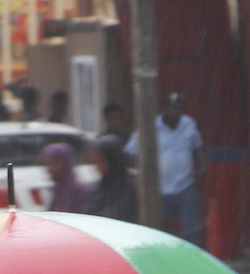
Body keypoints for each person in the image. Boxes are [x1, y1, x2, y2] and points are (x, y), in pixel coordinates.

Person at [126, 92, 208, 245]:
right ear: (165, 108)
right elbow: (130, 151)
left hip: (185, 185)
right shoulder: (151, 126)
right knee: (160, 229)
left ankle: (192, 259)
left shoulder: (188, 124)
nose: (175, 111)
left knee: (191, 227)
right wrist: (144, 172)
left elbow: (197, 147)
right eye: (172, 108)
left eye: (179, 108)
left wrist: (201, 166)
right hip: (160, 189)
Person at [86, 134, 138, 223]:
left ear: (113, 159)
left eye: (100, 161)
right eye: (94, 162)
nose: (97, 166)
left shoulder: (133, 187)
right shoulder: (100, 188)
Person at [41, 141, 93, 214]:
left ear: (66, 164)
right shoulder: (58, 191)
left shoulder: (81, 192)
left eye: (54, 164)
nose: (49, 169)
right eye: (47, 164)